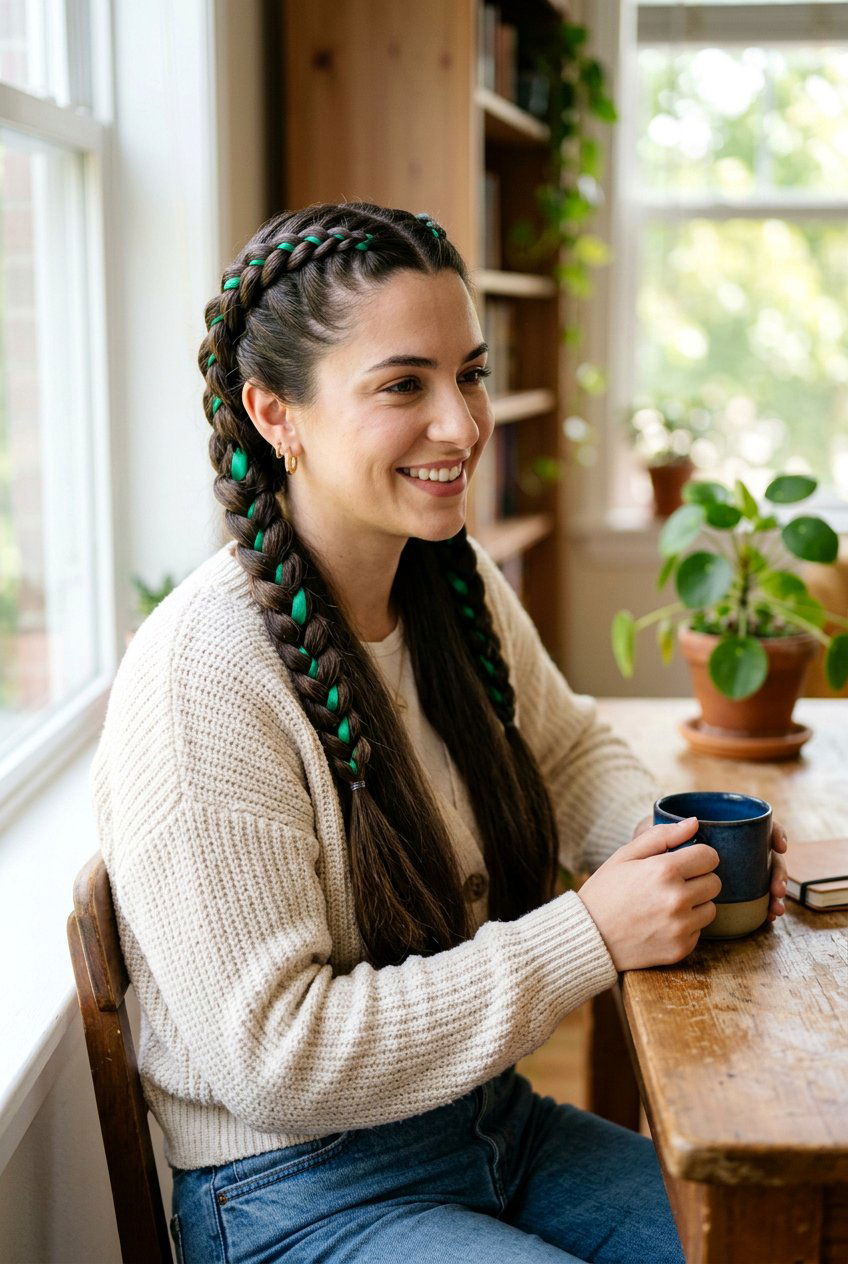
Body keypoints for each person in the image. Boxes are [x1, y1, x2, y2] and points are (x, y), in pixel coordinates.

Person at [90, 202, 788, 1264]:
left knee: (779, 1240)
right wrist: (588, 936)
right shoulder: (204, 674)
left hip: (488, 1124)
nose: (461, 425)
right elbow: (274, 1058)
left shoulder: (446, 588)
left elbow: (568, 751)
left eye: (467, 373)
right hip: (294, 1192)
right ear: (275, 413)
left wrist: (670, 848)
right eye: (401, 385)